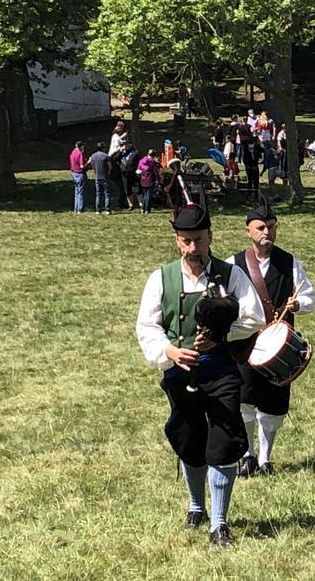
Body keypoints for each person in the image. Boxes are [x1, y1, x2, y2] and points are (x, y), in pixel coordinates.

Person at [135, 204, 266, 547]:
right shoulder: (161, 278)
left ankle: (219, 523)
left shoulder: (230, 274)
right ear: (177, 241)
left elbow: (254, 317)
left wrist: (222, 334)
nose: (194, 248)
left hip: (222, 370)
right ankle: (196, 506)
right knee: (189, 439)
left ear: (210, 236)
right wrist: (170, 351)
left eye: (199, 240)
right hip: (180, 373)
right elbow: (147, 326)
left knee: (223, 440)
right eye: (186, 241)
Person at [227, 203, 315, 477]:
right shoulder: (234, 264)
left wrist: (298, 304)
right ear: (248, 231)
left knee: (274, 403)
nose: (268, 232)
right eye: (261, 228)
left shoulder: (289, 262)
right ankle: (247, 454)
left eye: (271, 226)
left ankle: (265, 458)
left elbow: (310, 297)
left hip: (279, 346)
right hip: (245, 343)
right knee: (243, 400)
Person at [88, 142, 111, 215]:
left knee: (98, 194)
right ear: (103, 148)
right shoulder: (106, 156)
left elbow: (91, 164)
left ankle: (98, 209)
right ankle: (107, 209)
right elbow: (110, 166)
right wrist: (109, 171)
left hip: (97, 177)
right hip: (105, 177)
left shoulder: (93, 156)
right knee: (107, 193)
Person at [137, 149, 161, 214]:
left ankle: (143, 209)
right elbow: (156, 172)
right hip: (151, 179)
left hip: (143, 179)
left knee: (145, 194)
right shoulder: (153, 163)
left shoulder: (141, 161)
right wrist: (157, 180)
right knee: (149, 195)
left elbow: (138, 171)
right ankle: (147, 209)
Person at [70, 141, 87, 214]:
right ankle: (80, 209)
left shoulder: (72, 152)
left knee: (76, 191)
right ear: (81, 146)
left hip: (74, 173)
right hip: (80, 173)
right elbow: (82, 166)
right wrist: (87, 164)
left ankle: (76, 208)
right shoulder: (80, 154)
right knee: (80, 192)